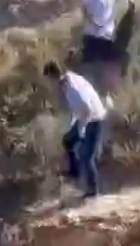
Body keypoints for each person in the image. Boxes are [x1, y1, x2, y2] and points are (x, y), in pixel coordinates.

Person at [43, 60, 108, 199]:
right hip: (86, 117)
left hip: (94, 119)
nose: (49, 85)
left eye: (48, 80)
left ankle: (93, 192)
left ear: (52, 77)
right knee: (67, 140)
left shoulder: (71, 88)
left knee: (86, 156)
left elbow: (86, 109)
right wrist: (74, 126)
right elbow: (78, 108)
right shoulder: (69, 78)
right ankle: (74, 172)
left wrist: (82, 131)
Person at [80, 0, 136, 101]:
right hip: (92, 35)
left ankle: (107, 97)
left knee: (110, 67)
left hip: (107, 35)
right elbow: (84, 11)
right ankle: (90, 98)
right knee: (90, 69)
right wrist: (94, 23)